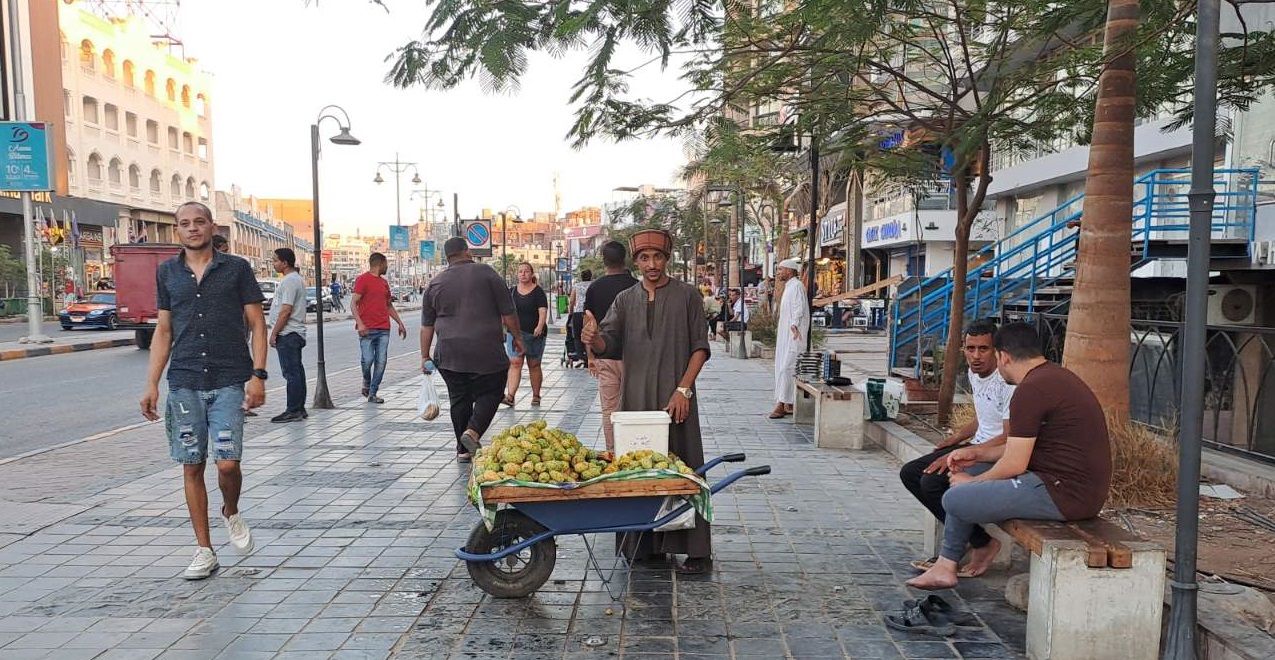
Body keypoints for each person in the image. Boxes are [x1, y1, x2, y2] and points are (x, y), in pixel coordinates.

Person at [908, 322, 1111, 590]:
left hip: (1063, 494)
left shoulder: (1029, 390)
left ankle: (949, 563)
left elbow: (1015, 463)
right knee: (961, 476)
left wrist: (975, 483)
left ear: (1002, 356)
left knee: (956, 496)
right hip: (1066, 486)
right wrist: (976, 452)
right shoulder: (1052, 378)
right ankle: (945, 567)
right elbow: (1016, 448)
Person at [139, 201, 265, 580]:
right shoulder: (168, 273)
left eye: (199, 222)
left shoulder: (237, 269)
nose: (192, 228)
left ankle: (231, 509)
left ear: (211, 227)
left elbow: (257, 324)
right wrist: (152, 384)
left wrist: (259, 375)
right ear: (177, 230)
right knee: (191, 464)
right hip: (185, 382)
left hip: (229, 380)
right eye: (184, 224)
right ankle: (204, 549)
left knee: (227, 464)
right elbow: (164, 331)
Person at [581, 229, 713, 575]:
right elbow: (608, 343)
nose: (651, 264)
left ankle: (696, 550)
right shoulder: (625, 299)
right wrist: (593, 339)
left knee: (684, 467)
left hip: (675, 398)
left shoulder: (687, 296)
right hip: (636, 399)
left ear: (666, 260)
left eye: (657, 258)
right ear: (635, 262)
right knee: (638, 469)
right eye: (644, 258)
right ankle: (644, 546)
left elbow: (700, 347)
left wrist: (683, 390)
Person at [898, 321, 1013, 575]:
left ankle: (980, 544)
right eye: (970, 348)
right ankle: (978, 541)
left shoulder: (1007, 382)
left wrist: (960, 453)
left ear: (997, 351)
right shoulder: (975, 373)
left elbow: (1009, 435)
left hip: (999, 453)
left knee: (933, 482)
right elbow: (985, 415)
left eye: (983, 349)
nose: (976, 356)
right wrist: (957, 438)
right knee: (911, 473)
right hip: (975, 445)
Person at [421, 238, 524, 461]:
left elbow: (427, 326)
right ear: (467, 251)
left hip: (448, 354)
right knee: (493, 391)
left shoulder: (435, 283)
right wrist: (517, 337)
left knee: (459, 399)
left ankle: (463, 450)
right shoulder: (486, 273)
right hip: (485, 349)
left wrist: (424, 356)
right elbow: (508, 312)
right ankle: (473, 432)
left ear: (447, 257)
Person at [582, 241, 638, 452]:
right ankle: (636, 451)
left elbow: (589, 324)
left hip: (605, 356)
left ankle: (613, 452)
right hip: (636, 358)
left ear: (604, 261)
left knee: (610, 410)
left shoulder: (595, 287)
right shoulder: (636, 286)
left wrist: (590, 357)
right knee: (636, 408)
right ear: (625, 259)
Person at [352, 252, 408, 404]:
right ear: (380, 264)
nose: (387, 267)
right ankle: (366, 381)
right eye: (386, 264)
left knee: (381, 361)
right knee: (368, 360)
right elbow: (353, 303)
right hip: (367, 329)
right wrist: (360, 323)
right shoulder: (362, 280)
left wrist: (400, 323)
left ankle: (372, 393)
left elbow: (388, 305)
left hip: (384, 328)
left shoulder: (384, 283)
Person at [267, 248, 308, 423]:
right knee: (296, 371)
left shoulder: (290, 281)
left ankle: (293, 410)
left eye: (275, 260)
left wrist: (274, 333)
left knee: (291, 373)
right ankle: (299, 408)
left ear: (285, 263)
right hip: (292, 333)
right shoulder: (292, 280)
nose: (274, 264)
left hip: (289, 333)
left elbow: (286, 310)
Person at [504, 262, 549, 407]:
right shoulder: (511, 292)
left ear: (531, 274)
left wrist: (540, 326)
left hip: (534, 334)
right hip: (515, 333)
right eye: (520, 272)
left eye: (526, 271)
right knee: (515, 362)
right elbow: (506, 312)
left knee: (534, 364)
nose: (523, 274)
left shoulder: (538, 292)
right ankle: (510, 396)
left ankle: (536, 395)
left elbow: (542, 311)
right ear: (517, 274)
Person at [770, 259, 809, 418]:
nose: (778, 273)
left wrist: (794, 324)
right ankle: (788, 403)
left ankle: (781, 404)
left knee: (788, 368)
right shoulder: (789, 287)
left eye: (780, 269)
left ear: (789, 271)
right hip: (786, 336)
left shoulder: (797, 286)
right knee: (782, 367)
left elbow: (799, 307)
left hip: (794, 335)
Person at [567, 269, 594, 366]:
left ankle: (581, 356)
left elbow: (571, 301)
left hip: (578, 313)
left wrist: (571, 313)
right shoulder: (594, 285)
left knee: (577, 336)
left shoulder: (577, 286)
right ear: (591, 276)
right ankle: (590, 356)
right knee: (590, 335)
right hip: (590, 313)